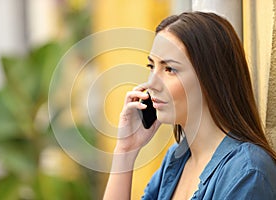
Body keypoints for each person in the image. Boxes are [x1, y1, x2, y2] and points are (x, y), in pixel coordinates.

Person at [103, 12, 276, 200]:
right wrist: (126, 151)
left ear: (211, 78)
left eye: (169, 69)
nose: (152, 83)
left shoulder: (247, 173)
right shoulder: (177, 159)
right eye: (152, 66)